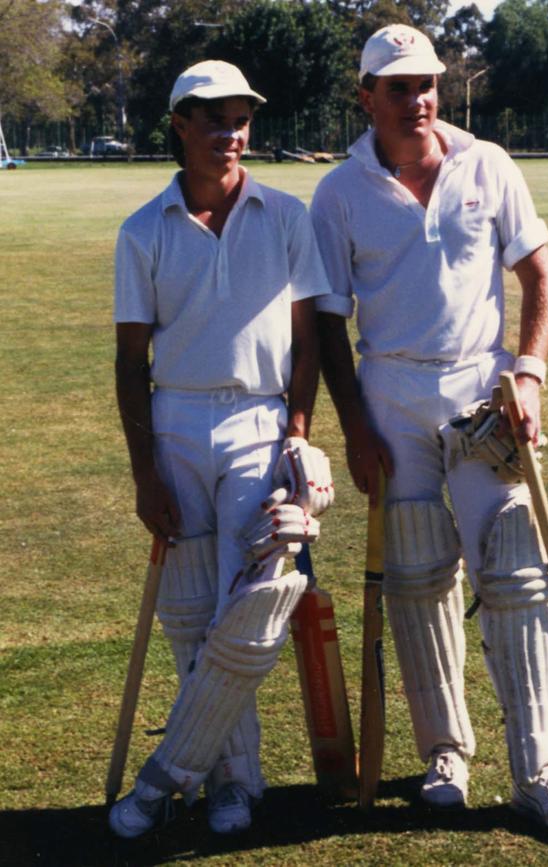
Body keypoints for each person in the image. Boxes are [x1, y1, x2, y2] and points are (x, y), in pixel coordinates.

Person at [311, 25, 548, 837]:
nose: (418, 99)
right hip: (391, 396)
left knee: (515, 574)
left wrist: (530, 375)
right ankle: (446, 754)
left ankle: (539, 772)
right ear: (366, 96)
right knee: (418, 583)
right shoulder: (339, 193)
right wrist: (355, 425)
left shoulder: (487, 163)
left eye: (427, 83)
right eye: (398, 87)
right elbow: (330, 325)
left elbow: (537, 271)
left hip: (482, 392)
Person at [109, 59, 333, 838]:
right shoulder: (143, 231)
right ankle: (230, 779)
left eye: (239, 118)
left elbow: (309, 343)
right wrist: (145, 474)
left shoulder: (286, 215)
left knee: (254, 599)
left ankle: (199, 775)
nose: (229, 132)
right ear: (179, 124)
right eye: (212, 117)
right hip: (175, 422)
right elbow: (129, 363)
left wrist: (298, 433)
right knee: (189, 617)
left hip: (257, 420)